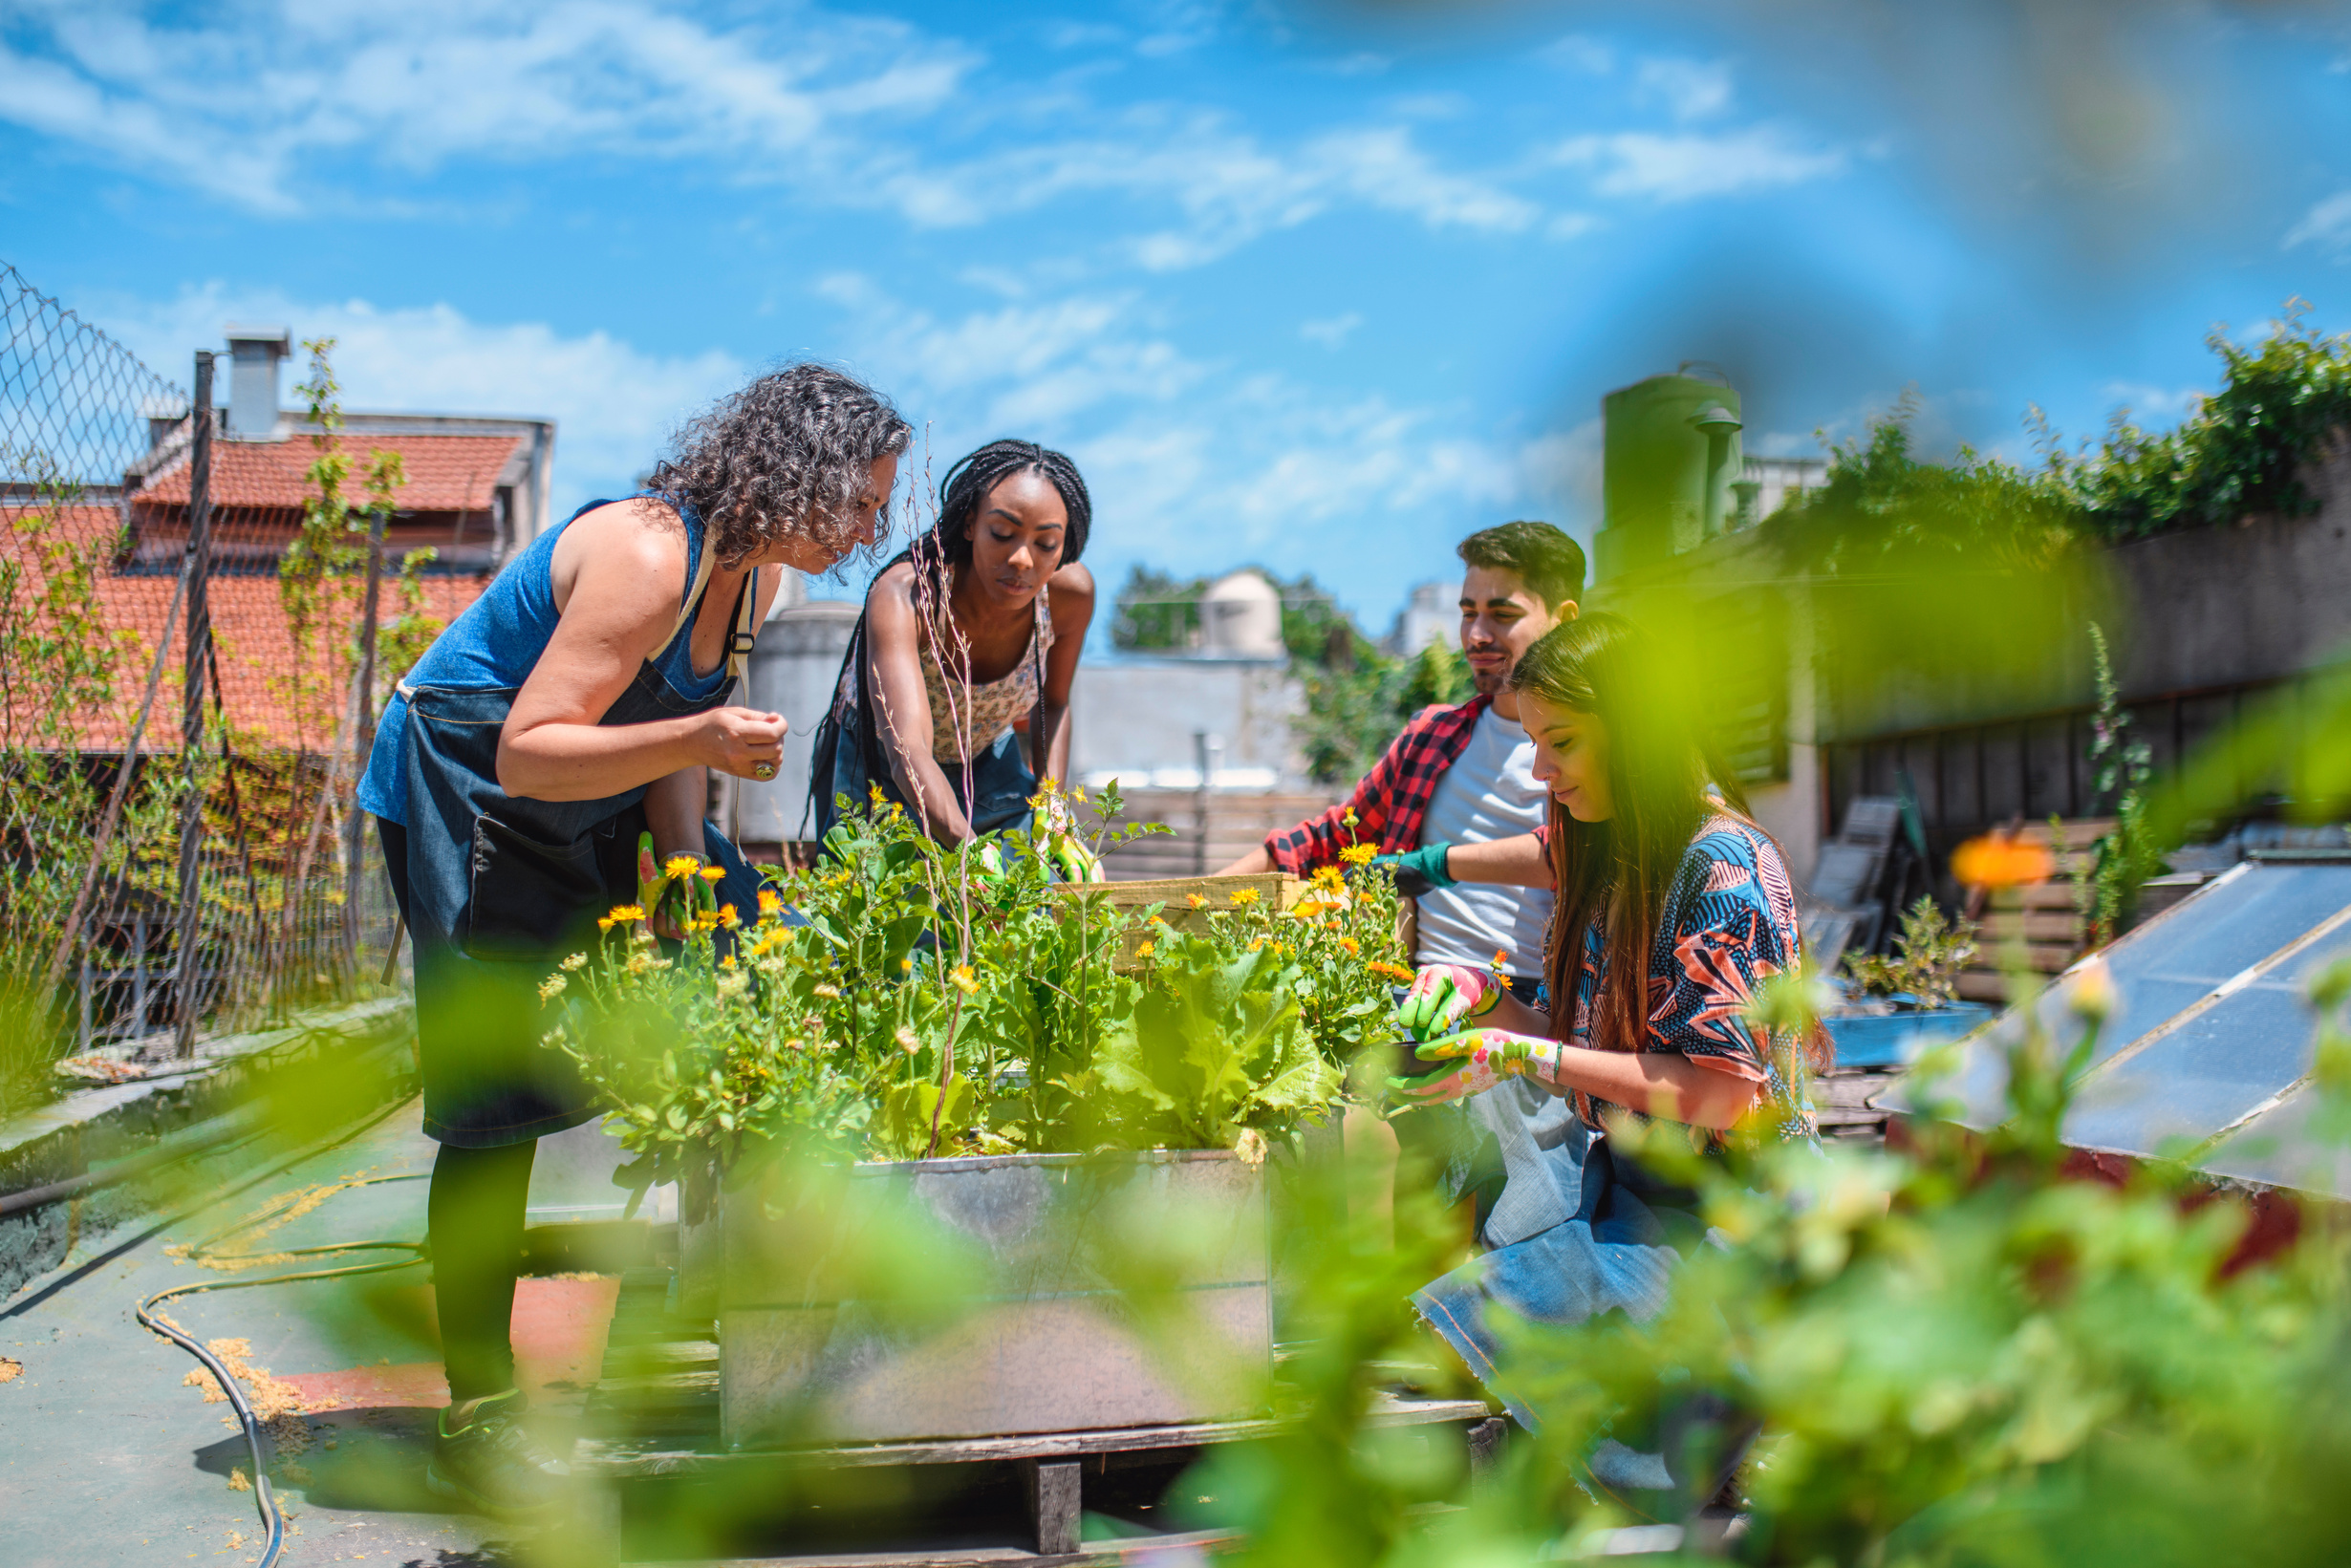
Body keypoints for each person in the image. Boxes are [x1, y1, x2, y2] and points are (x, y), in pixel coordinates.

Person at [355, 363, 911, 1515]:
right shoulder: (653, 555)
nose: (874, 527)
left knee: (674, 999)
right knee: (495, 1103)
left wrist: (703, 878)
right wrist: (707, 737)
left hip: (572, 808)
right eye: (863, 499)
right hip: (471, 788)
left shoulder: (744, 584)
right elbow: (527, 747)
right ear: (800, 472)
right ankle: (483, 1408)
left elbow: (661, 753)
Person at [1387, 612, 1823, 1512]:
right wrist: (1481, 996)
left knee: (1561, 1372)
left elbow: (1720, 1096)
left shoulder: (1721, 866)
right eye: (1536, 742)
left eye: (1562, 742)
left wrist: (1522, 1047)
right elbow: (1590, 1045)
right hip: (1633, 1181)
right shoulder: (1608, 848)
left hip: (1737, 1217)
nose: (1541, 770)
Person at [1217, 520, 1582, 996]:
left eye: (1502, 614)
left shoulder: (1593, 741)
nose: (1476, 635)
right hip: (1416, 994)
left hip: (1548, 1006)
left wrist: (1432, 864)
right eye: (1468, 612)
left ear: (1565, 618)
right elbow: (1328, 839)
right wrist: (1192, 896)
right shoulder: (1430, 737)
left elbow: (1571, 848)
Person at [811, 440, 1095, 847]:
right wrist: (972, 858)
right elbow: (907, 749)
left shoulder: (1070, 596)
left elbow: (1055, 701)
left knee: (1036, 886)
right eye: (1001, 533)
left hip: (983, 754)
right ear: (969, 525)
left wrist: (1052, 805)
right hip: (877, 760)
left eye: (1046, 544)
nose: (1022, 559)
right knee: (878, 902)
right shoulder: (908, 596)